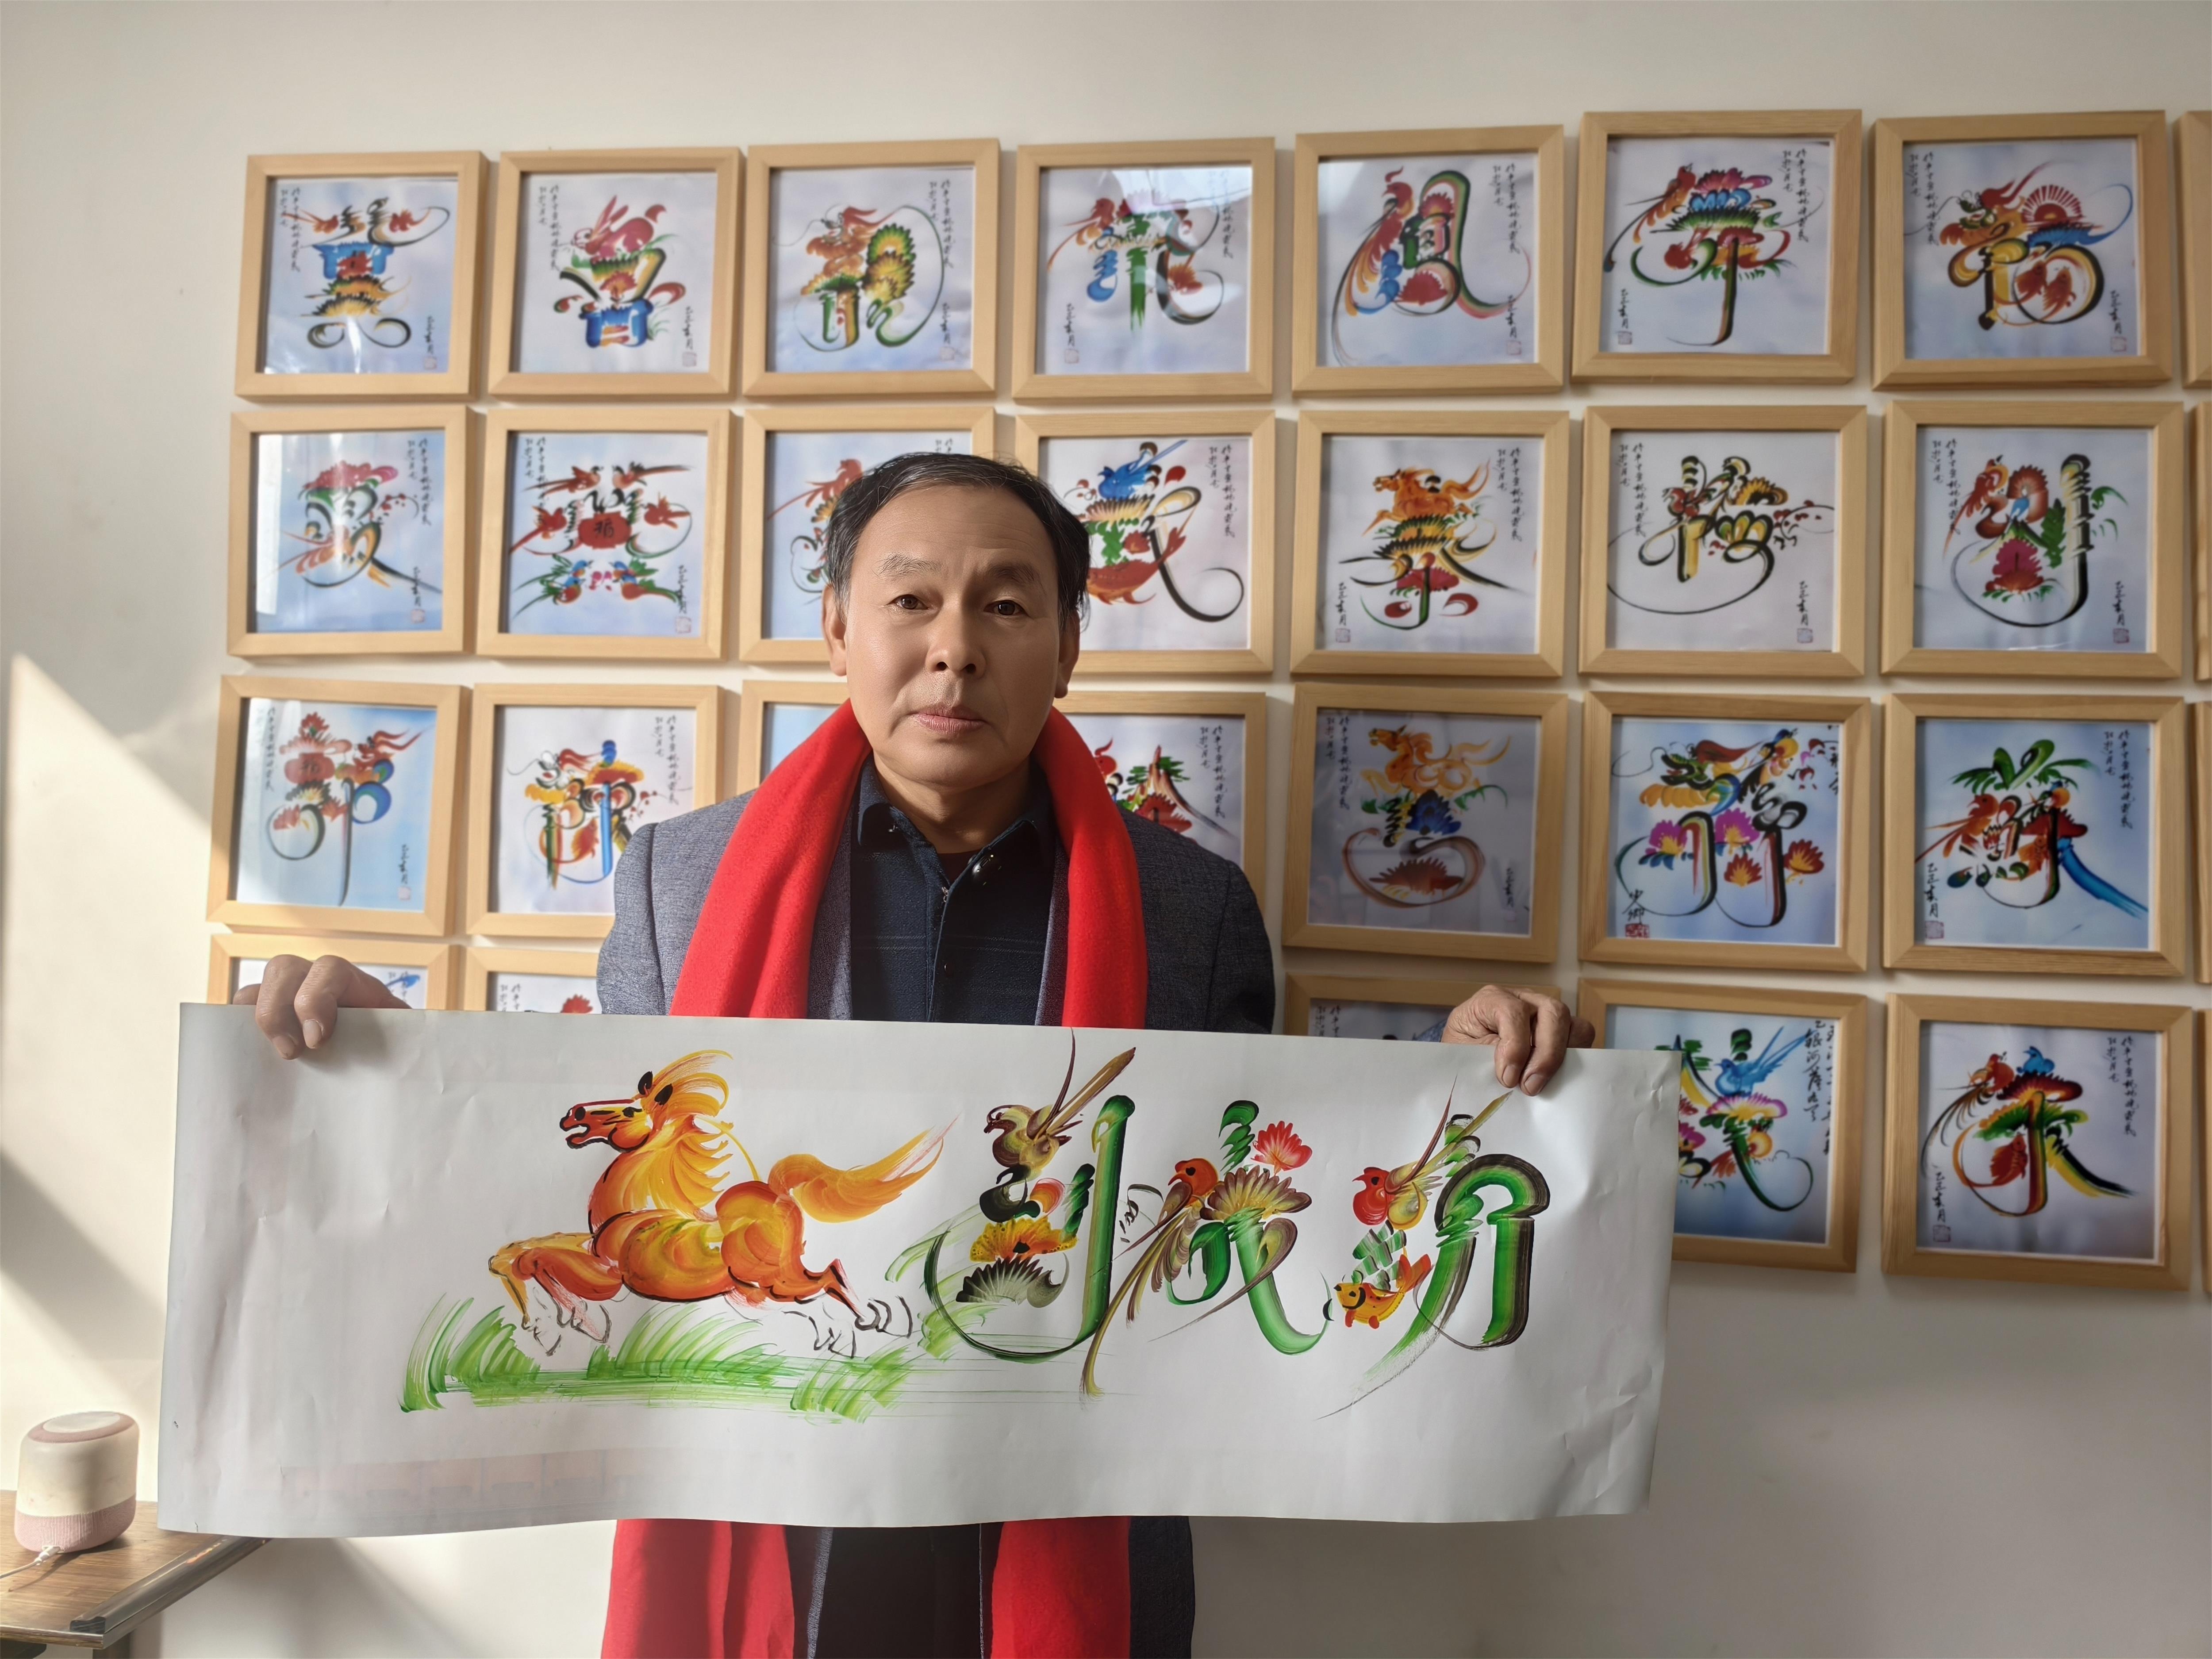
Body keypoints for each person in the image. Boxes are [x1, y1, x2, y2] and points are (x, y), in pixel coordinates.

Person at [240, 453, 1594, 1659]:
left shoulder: (1189, 908)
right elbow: (598, 1147)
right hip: (774, 1503)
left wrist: (1460, 1093)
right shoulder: (680, 881)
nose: (954, 650)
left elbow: (1253, 1210)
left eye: (1005, 605)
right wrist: (393, 1060)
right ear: (840, 631)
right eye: (911, 601)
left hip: (1069, 1498)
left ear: (1068, 644)